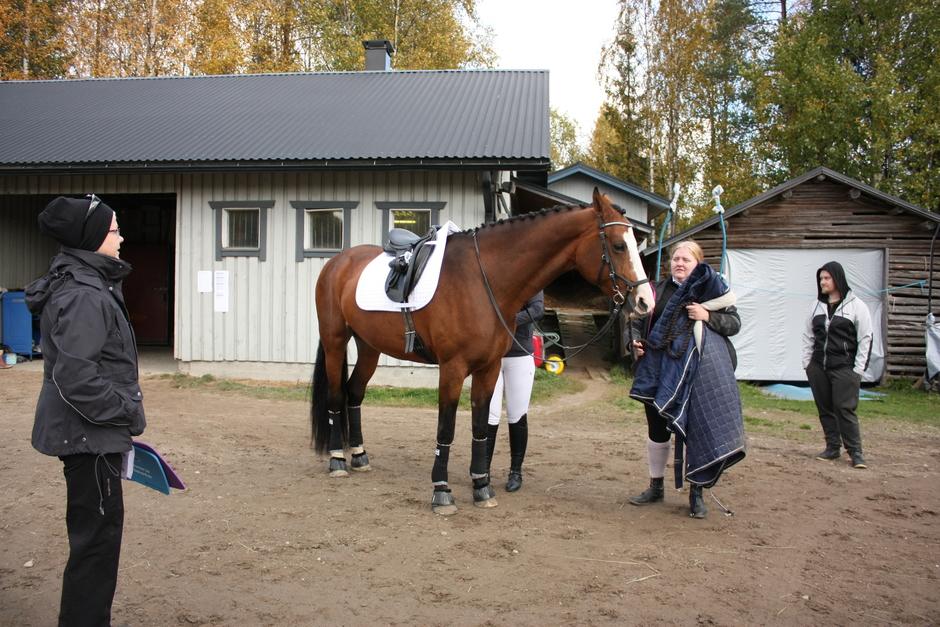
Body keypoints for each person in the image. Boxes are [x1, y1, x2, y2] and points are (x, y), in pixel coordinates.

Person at [26, 194, 146, 626]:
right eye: (114, 230)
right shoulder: (84, 295)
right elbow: (76, 377)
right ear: (92, 237)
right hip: (88, 438)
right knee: (96, 544)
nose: (121, 238)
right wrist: (125, 410)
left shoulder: (88, 284)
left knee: (96, 539)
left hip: (90, 434)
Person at [627, 240, 741, 518]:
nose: (679, 263)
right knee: (657, 430)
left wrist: (707, 315)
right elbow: (635, 321)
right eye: (676, 259)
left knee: (694, 431)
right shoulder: (655, 290)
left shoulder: (712, 290)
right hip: (657, 372)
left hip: (696, 373)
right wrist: (634, 342)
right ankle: (655, 486)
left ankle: (696, 493)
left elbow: (734, 324)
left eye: (686, 260)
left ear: (698, 263)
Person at [801, 261, 873, 469]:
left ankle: (856, 453)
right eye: (820, 278)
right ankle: (832, 447)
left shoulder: (856, 306)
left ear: (837, 279)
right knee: (825, 408)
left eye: (826, 278)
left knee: (844, 408)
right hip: (818, 367)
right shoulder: (816, 306)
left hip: (844, 367)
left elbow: (865, 338)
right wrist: (807, 363)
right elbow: (807, 335)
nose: (822, 282)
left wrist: (858, 369)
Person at [485, 291, 544, 492]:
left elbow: (538, 309)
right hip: (491, 355)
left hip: (519, 354)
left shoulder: (530, 281)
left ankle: (516, 471)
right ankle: (483, 470)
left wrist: (507, 320)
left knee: (517, 415)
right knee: (490, 415)